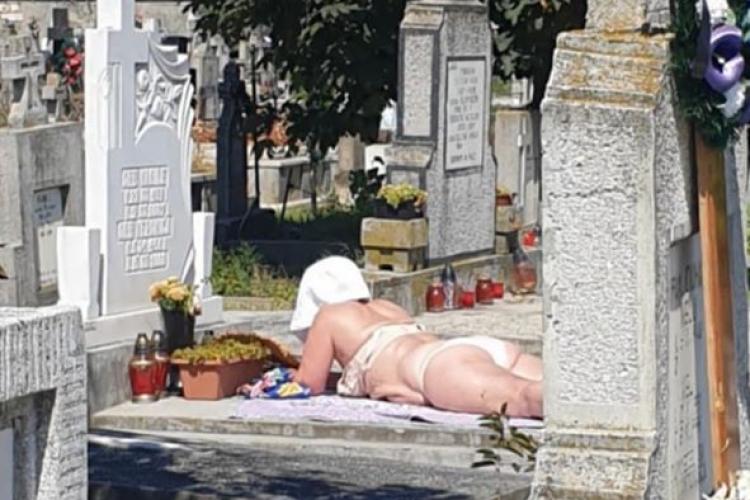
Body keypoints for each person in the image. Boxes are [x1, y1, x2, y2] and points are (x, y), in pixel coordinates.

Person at [289, 257, 543, 418]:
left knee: (526, 399)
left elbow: (309, 384)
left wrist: (287, 375)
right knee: (560, 389)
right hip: (467, 349)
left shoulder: (328, 315)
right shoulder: (386, 307)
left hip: (440, 367)